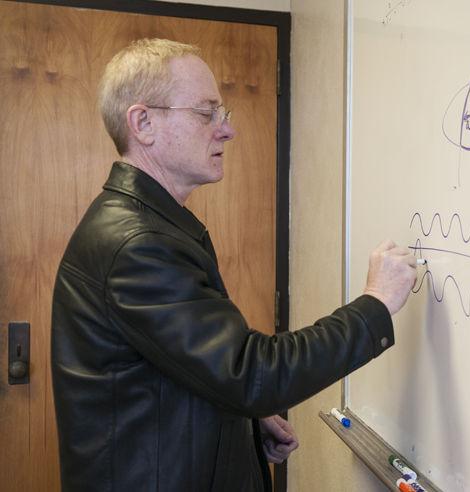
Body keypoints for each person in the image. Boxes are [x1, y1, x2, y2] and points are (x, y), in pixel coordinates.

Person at [51, 38, 418, 491]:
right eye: (206, 113)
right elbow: (252, 373)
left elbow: (184, 369)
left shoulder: (147, 225)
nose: (227, 130)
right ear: (143, 123)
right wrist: (375, 304)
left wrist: (240, 424)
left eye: (222, 114)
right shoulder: (137, 243)